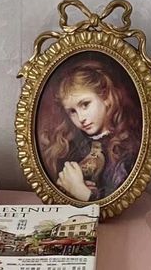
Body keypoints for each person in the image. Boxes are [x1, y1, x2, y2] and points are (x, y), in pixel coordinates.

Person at [39, 59, 141, 202]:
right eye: (72, 112)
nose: (80, 118)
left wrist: (83, 193)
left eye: (85, 104)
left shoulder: (127, 147)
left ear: (105, 97)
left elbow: (119, 199)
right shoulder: (72, 147)